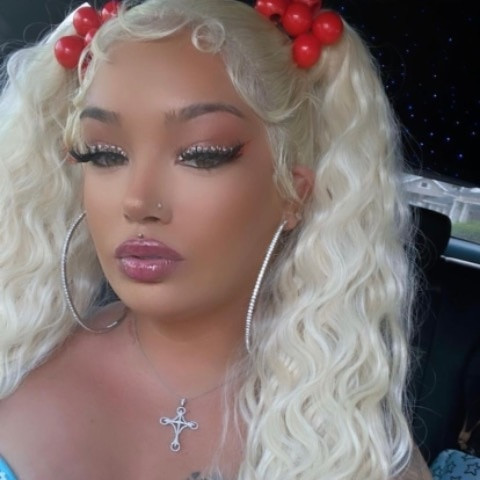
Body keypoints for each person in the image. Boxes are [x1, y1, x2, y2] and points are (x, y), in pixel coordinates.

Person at [0, 0, 433, 478]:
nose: (138, 201)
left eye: (202, 154)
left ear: (293, 193)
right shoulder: (12, 368)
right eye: (104, 154)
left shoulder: (354, 444)